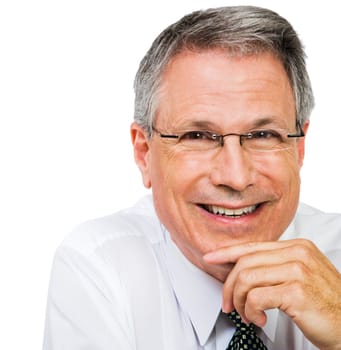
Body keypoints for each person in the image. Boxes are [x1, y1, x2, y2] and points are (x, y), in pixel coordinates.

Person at [43, 6, 341, 350]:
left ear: (299, 149)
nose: (236, 176)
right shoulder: (99, 268)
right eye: (197, 136)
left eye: (262, 135)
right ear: (144, 154)